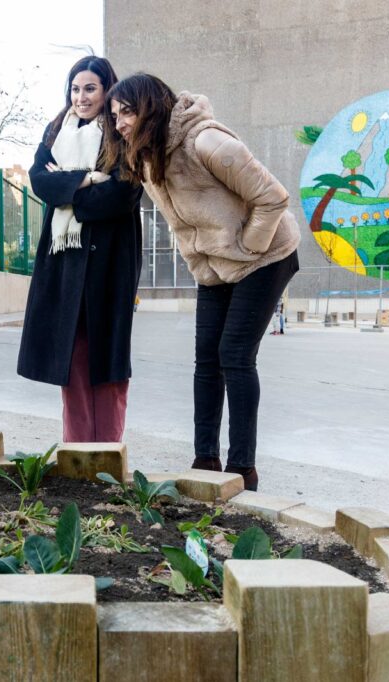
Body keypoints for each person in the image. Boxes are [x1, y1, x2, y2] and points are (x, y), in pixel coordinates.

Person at [105, 74, 300, 491]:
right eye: (115, 114)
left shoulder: (205, 142)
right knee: (206, 358)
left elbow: (274, 197)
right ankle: (204, 461)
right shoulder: (146, 157)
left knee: (234, 354)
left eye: (127, 111)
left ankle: (241, 468)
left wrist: (247, 245)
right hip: (215, 267)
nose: (119, 122)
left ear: (151, 108)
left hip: (265, 256)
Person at [16, 56, 143, 444]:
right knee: (72, 356)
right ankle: (77, 452)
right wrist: (87, 180)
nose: (81, 97)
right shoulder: (57, 130)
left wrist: (69, 192)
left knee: (107, 359)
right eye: (75, 88)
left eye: (90, 88)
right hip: (65, 259)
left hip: (110, 259)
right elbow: (40, 180)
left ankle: (107, 452)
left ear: (106, 91)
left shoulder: (122, 131)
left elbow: (124, 193)